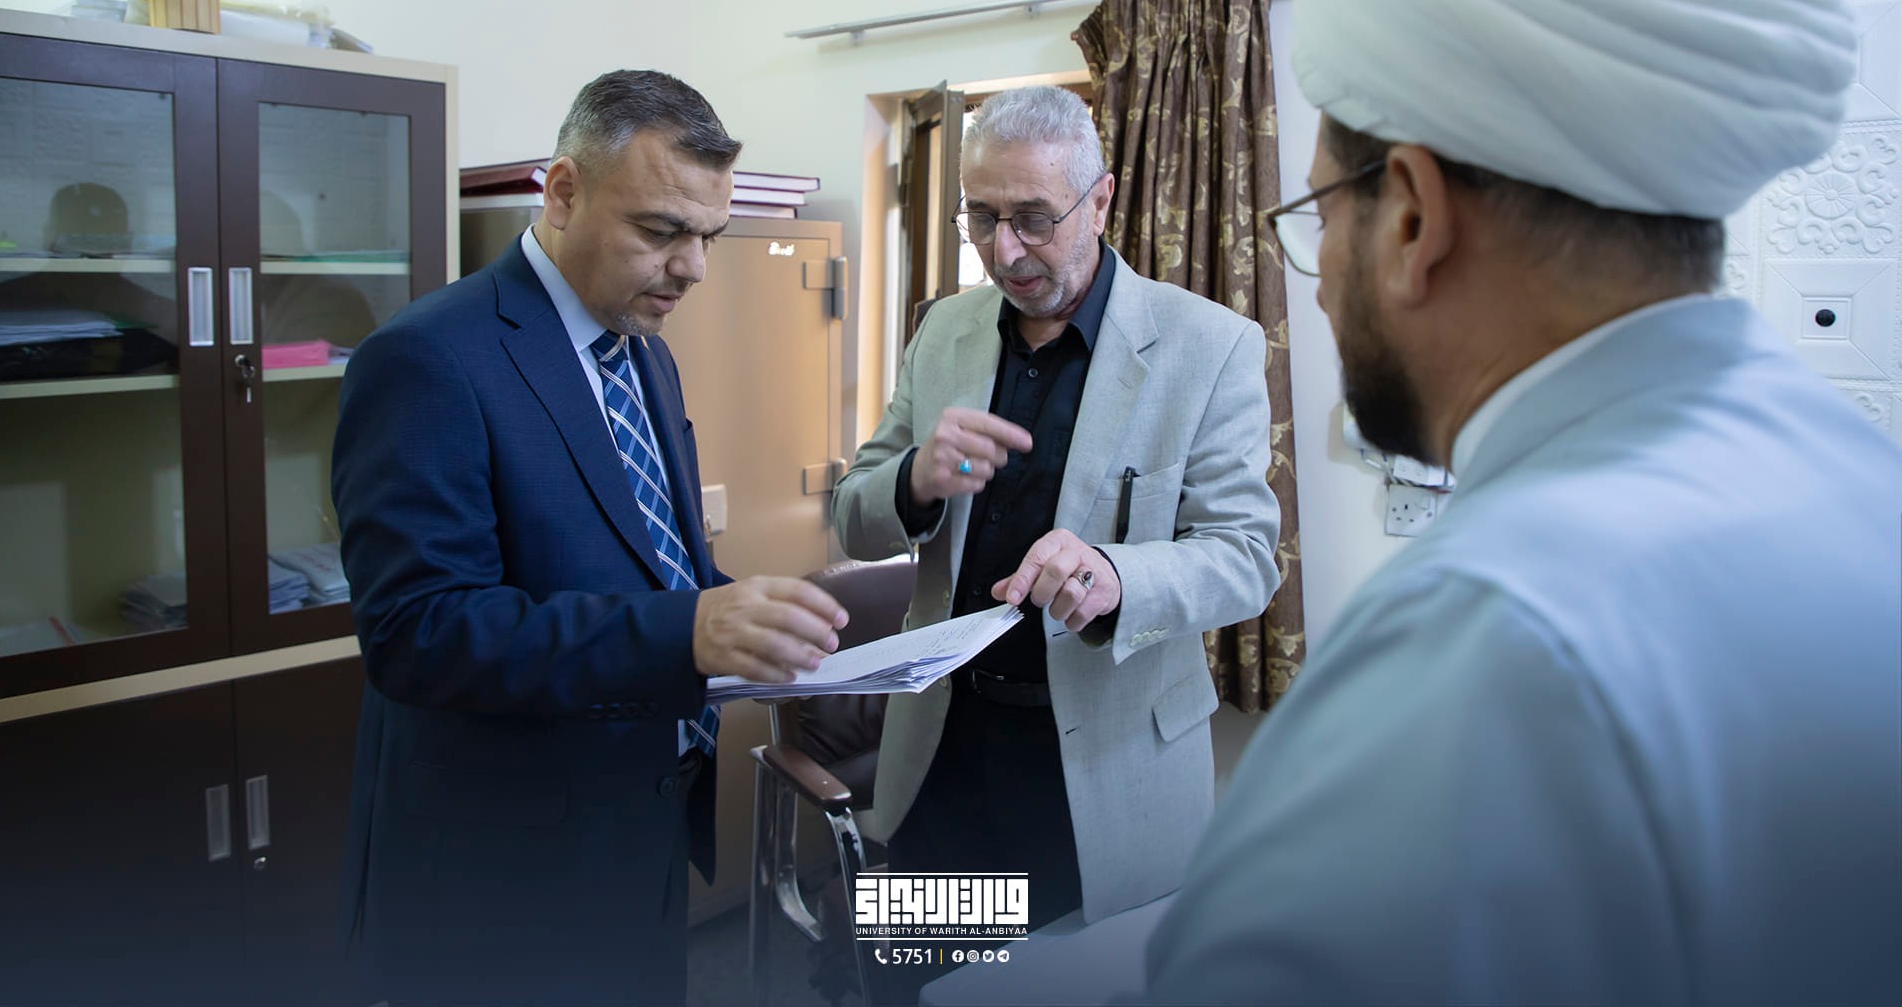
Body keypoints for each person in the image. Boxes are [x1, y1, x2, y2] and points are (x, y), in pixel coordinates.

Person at [1138, 0, 1902, 1004]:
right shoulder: (1857, 478)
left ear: (1411, 218)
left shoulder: (1483, 628)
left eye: (1321, 217)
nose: (1323, 280)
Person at [331, 70, 848, 1006]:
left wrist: (750, 614)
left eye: (709, 236)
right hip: (502, 875)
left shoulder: (644, 351)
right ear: (564, 192)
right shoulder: (427, 360)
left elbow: (654, 561)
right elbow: (418, 632)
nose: (693, 267)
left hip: (639, 829)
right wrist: (689, 631)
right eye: (662, 231)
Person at [830, 85, 1282, 955]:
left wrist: (1118, 577)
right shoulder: (942, 330)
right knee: (924, 975)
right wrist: (914, 481)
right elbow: (852, 520)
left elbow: (1245, 557)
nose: (1004, 251)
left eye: (1034, 218)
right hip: (943, 757)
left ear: (1100, 201)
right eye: (981, 217)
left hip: (1108, 774)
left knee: (1073, 987)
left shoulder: (1211, 345)